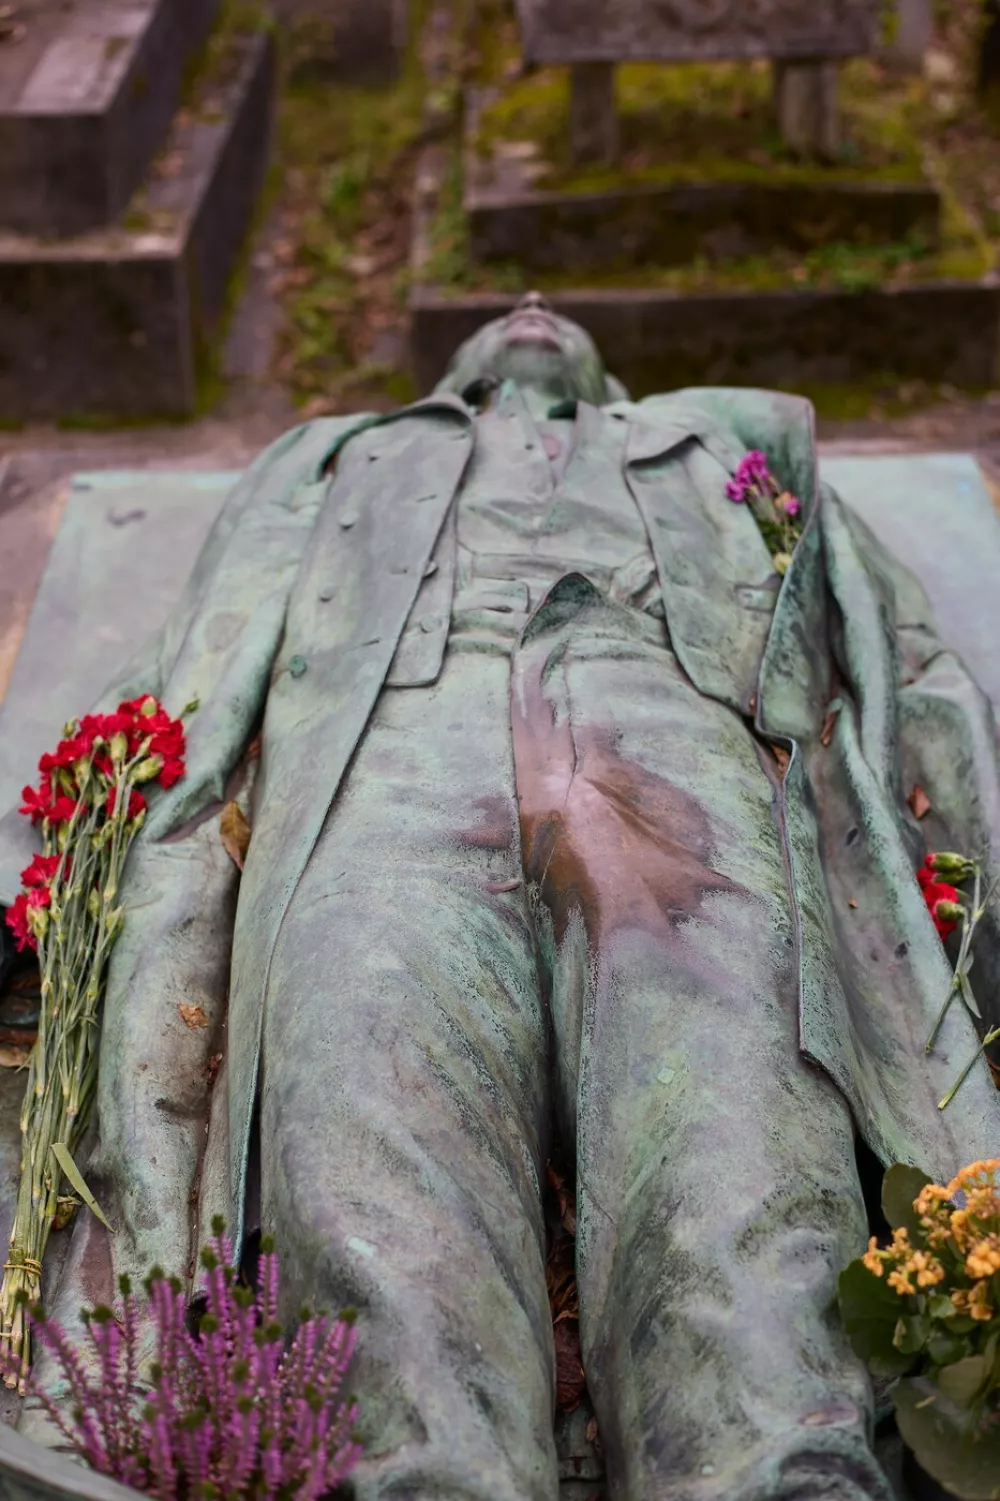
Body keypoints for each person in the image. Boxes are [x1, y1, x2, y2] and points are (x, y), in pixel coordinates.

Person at [2, 294, 998, 1501]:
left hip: (663, 715)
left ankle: (769, 1458)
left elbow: (903, 656)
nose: (532, 309)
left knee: (739, 1113)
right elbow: (195, 656)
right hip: (396, 731)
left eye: (559, 311)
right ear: (458, 371)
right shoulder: (344, 451)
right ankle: (430, 1470)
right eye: (505, 314)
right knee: (362, 1102)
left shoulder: (722, 438)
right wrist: (80, 860)